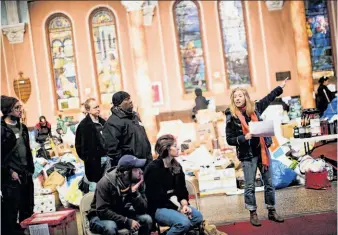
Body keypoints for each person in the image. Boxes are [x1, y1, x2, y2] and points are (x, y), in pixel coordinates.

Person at [225, 81, 287, 226]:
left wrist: (279, 88)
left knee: (269, 183)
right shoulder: (231, 116)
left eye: (240, 96)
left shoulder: (256, 108)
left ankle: (271, 210)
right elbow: (229, 139)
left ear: (246, 97)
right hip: (247, 155)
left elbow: (268, 98)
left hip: (262, 151)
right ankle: (253, 212)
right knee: (250, 186)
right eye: (235, 97)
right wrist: (242, 138)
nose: (238, 99)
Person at [144, 134, 203, 235]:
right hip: (159, 208)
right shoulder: (153, 168)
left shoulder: (176, 166)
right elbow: (155, 197)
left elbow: (182, 190)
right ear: (166, 149)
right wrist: (178, 209)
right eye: (175, 146)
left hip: (176, 205)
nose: (178, 148)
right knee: (183, 223)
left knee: (197, 217)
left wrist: (184, 205)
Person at [87, 155, 152, 235]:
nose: (141, 172)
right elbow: (102, 211)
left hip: (121, 213)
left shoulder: (136, 181)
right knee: (111, 227)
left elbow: (143, 209)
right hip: (99, 217)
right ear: (126, 173)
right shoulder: (105, 183)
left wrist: (135, 194)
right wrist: (126, 221)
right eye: (136, 169)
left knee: (147, 219)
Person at [1, 96, 34, 235]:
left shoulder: (23, 128)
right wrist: (9, 172)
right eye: (17, 108)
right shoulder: (2, 130)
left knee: (27, 211)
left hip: (26, 175)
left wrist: (31, 168)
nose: (21, 110)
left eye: (20, 107)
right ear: (8, 110)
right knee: (11, 215)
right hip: (11, 180)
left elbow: (27, 150)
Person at [102, 91, 152, 167]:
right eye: (126, 99)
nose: (130, 101)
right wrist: (127, 165)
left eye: (130, 98)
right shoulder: (112, 123)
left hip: (145, 162)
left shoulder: (135, 117)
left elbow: (143, 139)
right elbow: (112, 150)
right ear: (119, 104)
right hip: (131, 167)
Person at [75, 98, 107, 191]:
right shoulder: (83, 125)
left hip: (107, 159)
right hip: (94, 162)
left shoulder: (103, 123)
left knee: (106, 186)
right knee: (95, 188)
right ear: (88, 110)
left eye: (98, 106)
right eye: (95, 107)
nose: (98, 109)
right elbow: (78, 146)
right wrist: (88, 158)